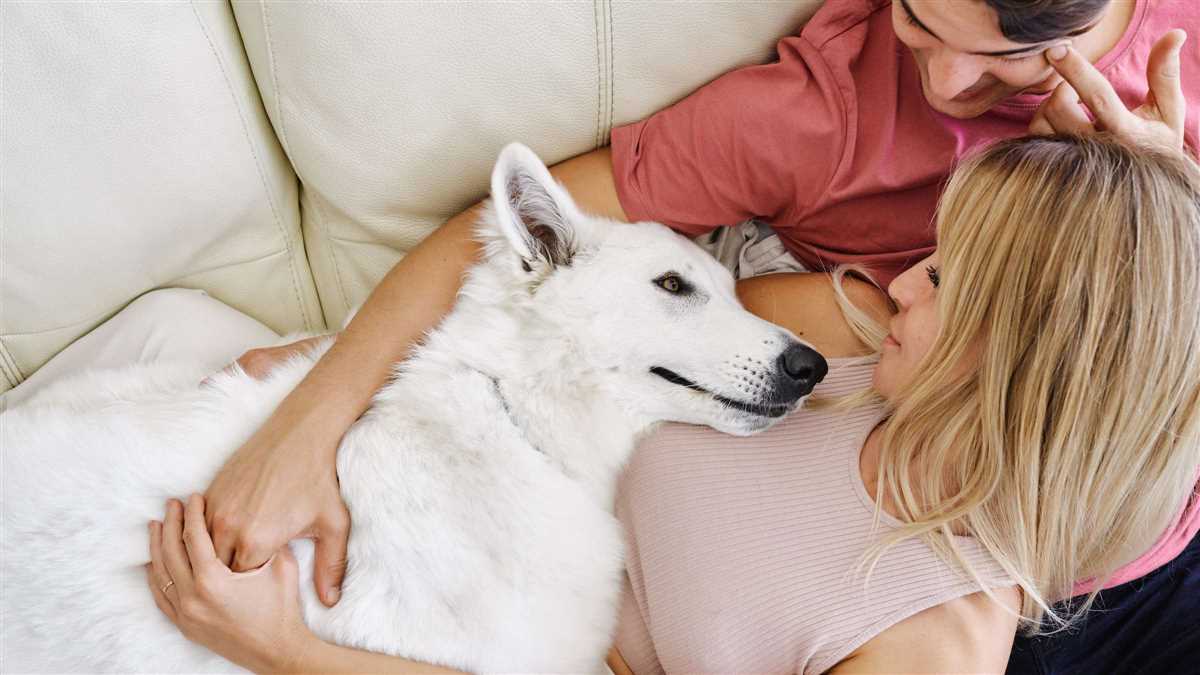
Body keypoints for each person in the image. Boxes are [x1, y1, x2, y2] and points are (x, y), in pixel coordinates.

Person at [195, 0, 1199, 663]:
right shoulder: (851, 311)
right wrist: (324, 399)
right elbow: (578, 286)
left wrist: (289, 652)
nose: (940, 83)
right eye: (919, 20)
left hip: (1130, 555)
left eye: (1004, 53)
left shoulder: (932, 628)